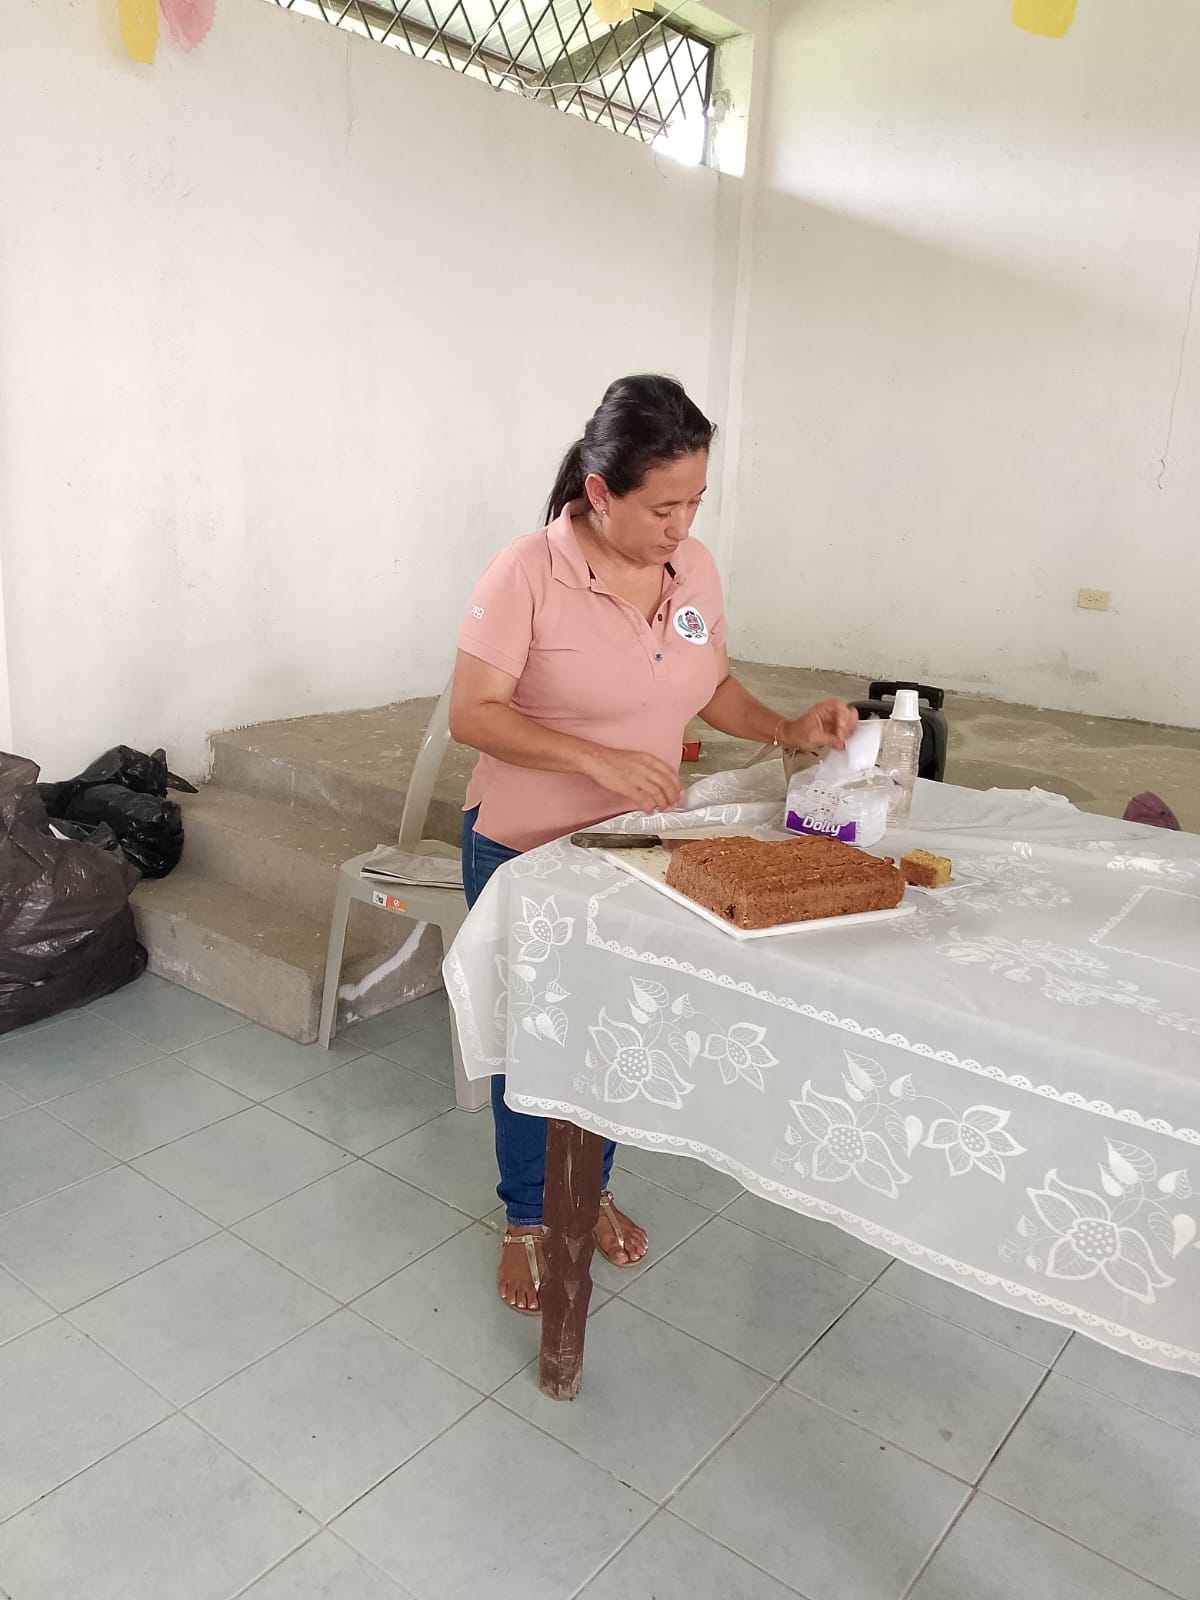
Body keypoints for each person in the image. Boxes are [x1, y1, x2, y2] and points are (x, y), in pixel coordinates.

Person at [451, 374, 858, 1314]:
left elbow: (708, 685)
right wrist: (594, 759)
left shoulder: (692, 569)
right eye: (662, 508)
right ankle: (527, 1217)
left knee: (615, 1032)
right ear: (600, 491)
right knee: (536, 1042)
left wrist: (786, 727)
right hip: (526, 850)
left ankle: (586, 1191)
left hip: (633, 845)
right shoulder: (526, 572)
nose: (682, 526)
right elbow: (475, 713)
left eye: (696, 503)